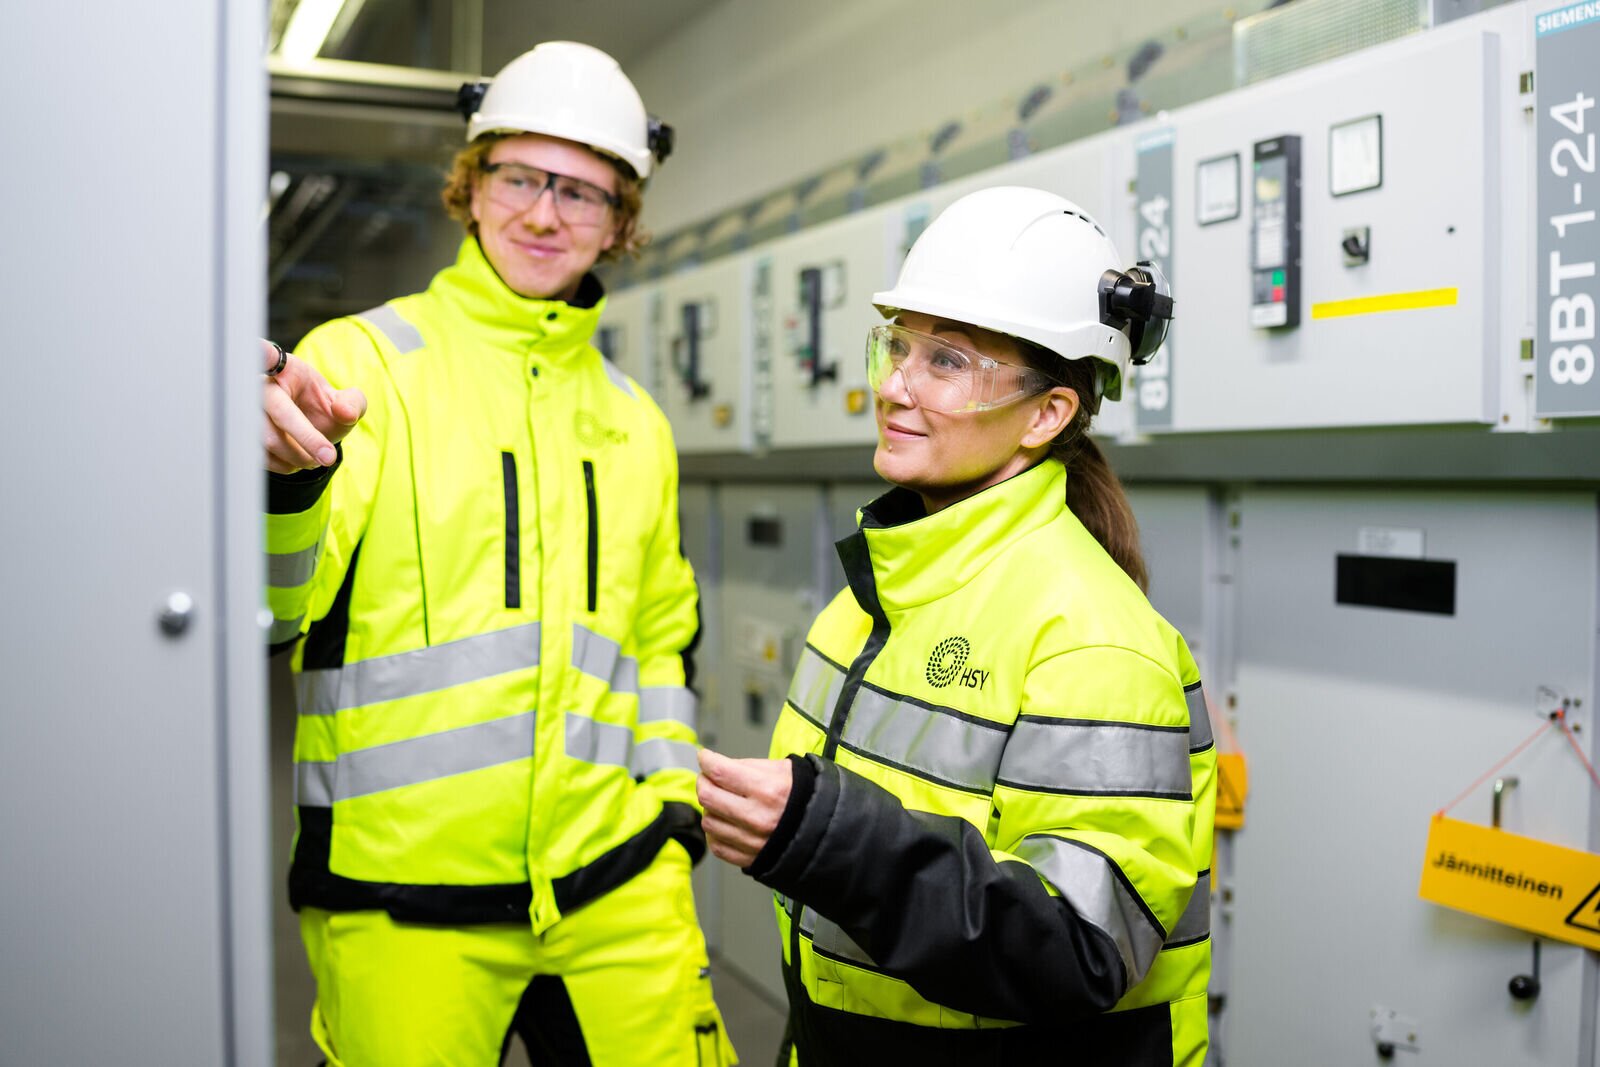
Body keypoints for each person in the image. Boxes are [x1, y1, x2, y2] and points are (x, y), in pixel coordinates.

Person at [261, 40, 735, 1066]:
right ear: (471, 187)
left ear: (619, 223)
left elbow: (660, 639)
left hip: (618, 887)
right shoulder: (360, 364)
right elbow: (277, 610)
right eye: (520, 177)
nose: (544, 214)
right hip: (401, 898)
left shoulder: (636, 421)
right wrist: (285, 484)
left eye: (583, 192)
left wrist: (671, 817)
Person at [697, 186, 1215, 1065]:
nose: (893, 386)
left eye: (946, 361)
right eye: (898, 346)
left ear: (1047, 414)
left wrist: (833, 839)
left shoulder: (1094, 640)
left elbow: (1083, 947)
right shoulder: (873, 592)